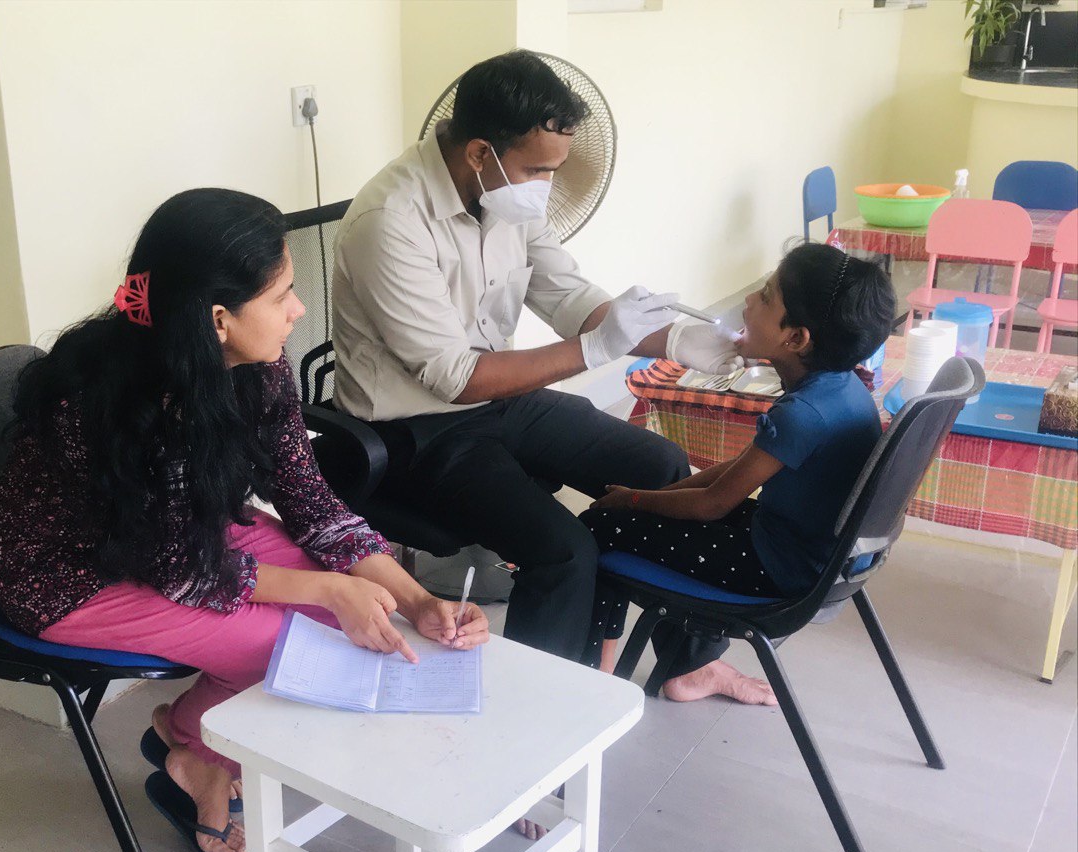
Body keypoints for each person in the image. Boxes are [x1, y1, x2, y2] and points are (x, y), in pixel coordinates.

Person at [0, 188, 490, 852]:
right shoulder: (111, 404)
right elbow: (180, 571)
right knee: (291, 651)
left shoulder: (256, 367)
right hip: (69, 575)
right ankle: (199, 755)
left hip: (179, 537)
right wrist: (329, 590)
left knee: (345, 617)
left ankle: (185, 740)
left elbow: (311, 503)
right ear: (218, 318)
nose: (298, 309)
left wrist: (418, 599)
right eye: (282, 295)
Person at [333, 49, 769, 701]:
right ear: (479, 152)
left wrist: (677, 339)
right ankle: (536, 717)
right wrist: (597, 349)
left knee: (659, 465)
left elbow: (569, 296)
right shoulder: (390, 220)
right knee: (563, 551)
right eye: (537, 169)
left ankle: (689, 662)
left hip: (499, 400)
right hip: (414, 432)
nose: (545, 184)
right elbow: (455, 377)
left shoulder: (505, 196)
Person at [582, 243, 894, 698]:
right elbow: (739, 470)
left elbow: (712, 505)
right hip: (812, 557)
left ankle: (594, 681)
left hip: (778, 570)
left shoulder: (802, 414)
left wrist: (630, 500)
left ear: (796, 339)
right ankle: (686, 669)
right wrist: (653, 497)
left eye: (766, 297)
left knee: (600, 525)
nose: (748, 301)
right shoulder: (843, 389)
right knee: (660, 501)